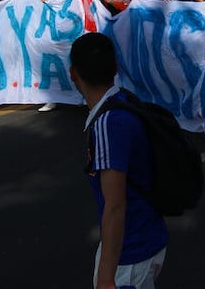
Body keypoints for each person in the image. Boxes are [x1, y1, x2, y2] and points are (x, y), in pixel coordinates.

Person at [69, 33, 168, 289]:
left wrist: (105, 277)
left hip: (130, 254)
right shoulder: (125, 101)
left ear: (73, 74)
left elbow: (115, 205)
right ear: (115, 68)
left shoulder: (108, 123)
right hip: (147, 235)